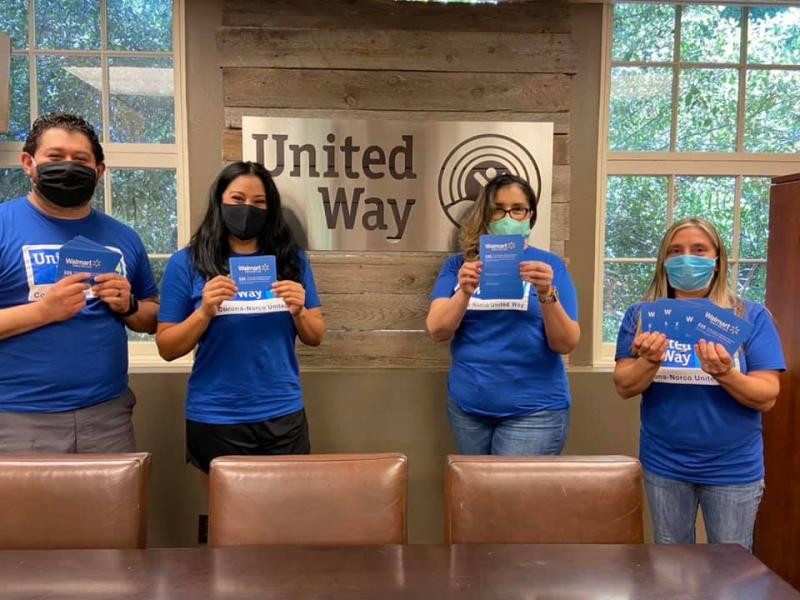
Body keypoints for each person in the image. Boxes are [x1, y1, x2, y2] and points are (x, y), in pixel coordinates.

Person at [613, 218, 784, 550]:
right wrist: (649, 361)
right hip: (664, 463)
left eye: (699, 250)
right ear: (663, 260)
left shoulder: (750, 316)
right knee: (671, 562)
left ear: (717, 260)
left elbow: (767, 396)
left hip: (733, 466)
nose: (686, 258)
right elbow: (624, 386)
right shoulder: (642, 315)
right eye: (675, 251)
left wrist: (726, 374)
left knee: (732, 565)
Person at [0, 113, 160, 453]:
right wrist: (43, 312)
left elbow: (152, 317)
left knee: (118, 493)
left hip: (107, 416)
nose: (68, 167)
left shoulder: (124, 237)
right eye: (55, 157)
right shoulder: (3, 225)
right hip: (17, 418)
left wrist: (129, 306)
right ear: (28, 163)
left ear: (99, 171)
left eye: (80, 159)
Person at [156, 161, 324, 474]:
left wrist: (300, 311)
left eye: (259, 202)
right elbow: (167, 347)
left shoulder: (293, 261)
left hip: (282, 411)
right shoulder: (187, 263)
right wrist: (204, 312)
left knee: (286, 504)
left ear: (270, 209)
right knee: (227, 506)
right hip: (216, 414)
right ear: (219, 200)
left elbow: (316, 336)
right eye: (237, 198)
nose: (248, 208)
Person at [426, 173, 579, 455]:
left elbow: (566, 343)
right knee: (476, 485)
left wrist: (547, 292)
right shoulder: (458, 266)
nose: (508, 217)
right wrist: (464, 291)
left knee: (509, 487)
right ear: (485, 214)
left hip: (535, 412)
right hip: (468, 409)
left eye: (517, 209)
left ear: (530, 216)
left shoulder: (550, 266)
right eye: (498, 209)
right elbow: (438, 330)